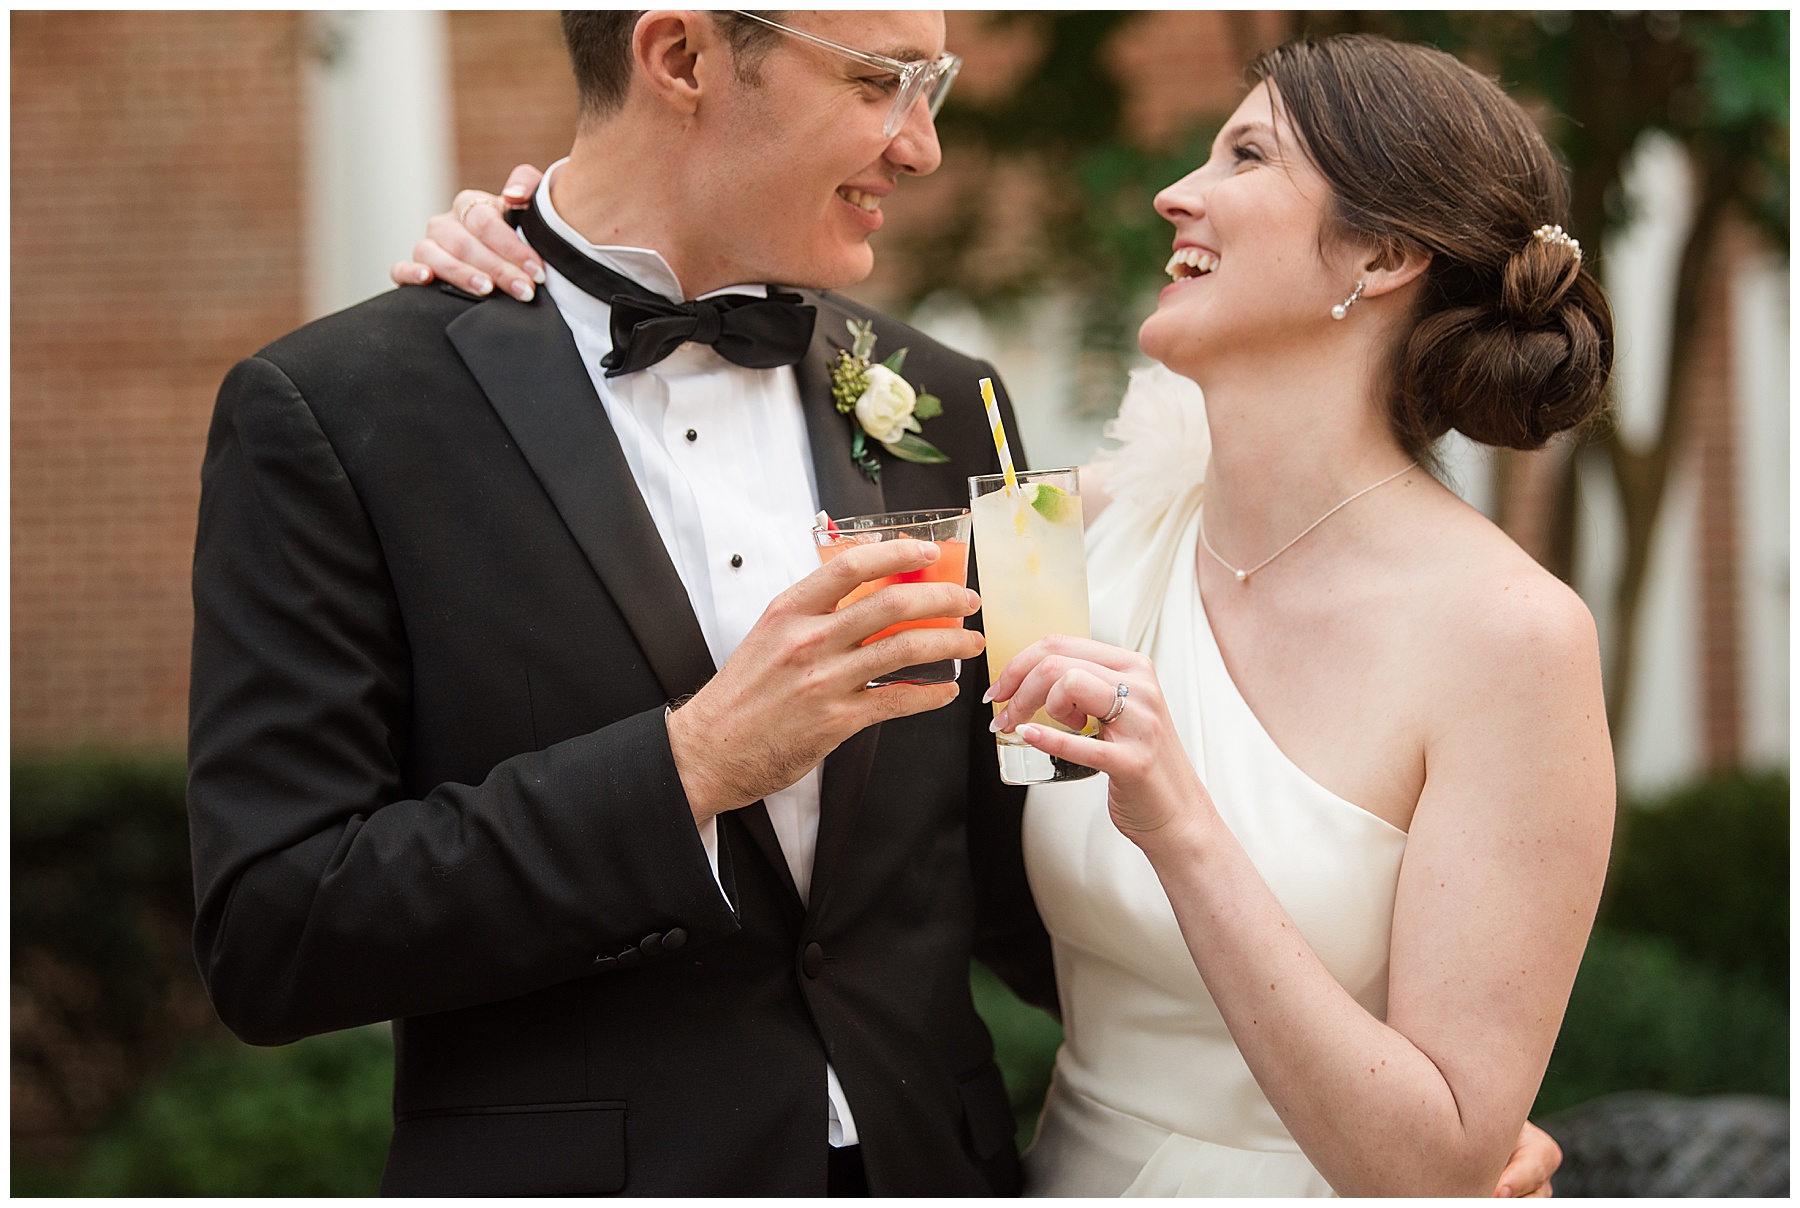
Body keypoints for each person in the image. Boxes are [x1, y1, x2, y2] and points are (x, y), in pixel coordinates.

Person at [398, 19, 1573, 1202]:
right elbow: (943, 855)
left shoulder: (1514, 634)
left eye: (1247, 159)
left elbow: (1437, 1142)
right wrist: (554, 256)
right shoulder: (1053, 536)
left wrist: (1441, 1139)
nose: (1175, 193)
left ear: (1379, 258)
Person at [188, 11, 1052, 1196]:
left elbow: (1030, 867)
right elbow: (274, 933)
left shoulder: (947, 402)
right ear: (681, 58)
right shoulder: (336, 411)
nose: (922, 147)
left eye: (931, 85)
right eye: (879, 81)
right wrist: (687, 765)